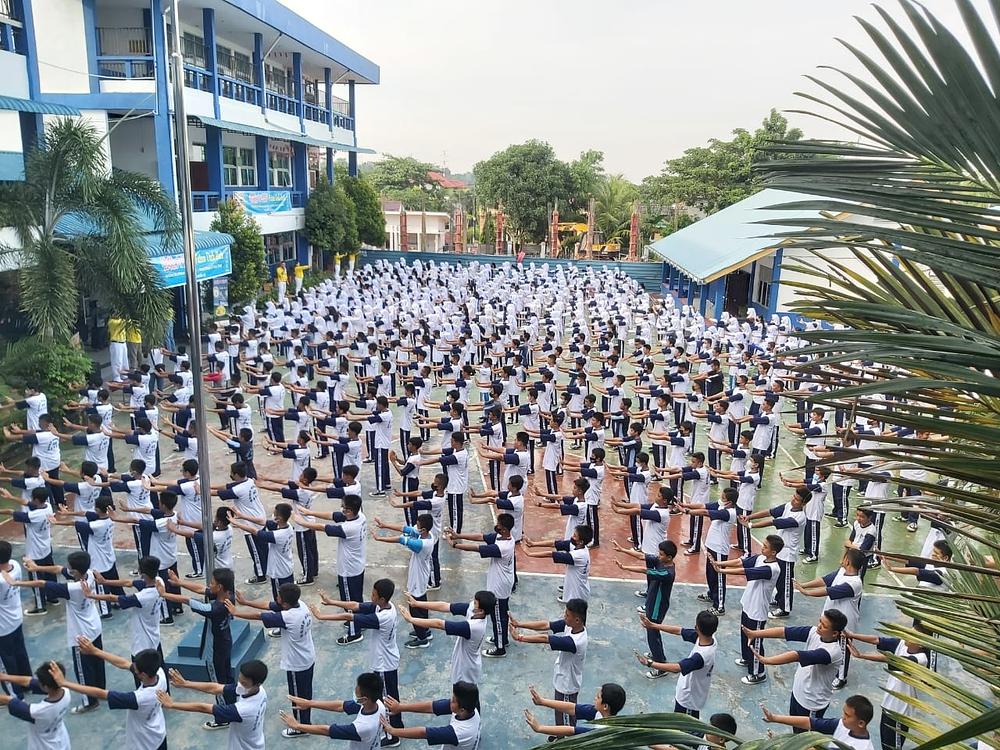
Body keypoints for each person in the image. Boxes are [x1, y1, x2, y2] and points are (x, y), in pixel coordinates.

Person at [8, 550, 105, 713]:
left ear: (76, 571)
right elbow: (59, 569)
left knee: (83, 669)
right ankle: (99, 690)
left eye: (71, 568)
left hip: (81, 634)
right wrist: (37, 568)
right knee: (97, 662)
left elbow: (42, 584)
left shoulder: (73, 589)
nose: (68, 569)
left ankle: (90, 701)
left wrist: (16, 583)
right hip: (94, 626)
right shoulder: (89, 574)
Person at [310, 579, 404, 737]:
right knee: (386, 697)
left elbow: (351, 616)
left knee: (387, 700)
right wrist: (331, 601)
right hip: (385, 660)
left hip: (384, 664)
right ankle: (393, 729)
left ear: (381, 598)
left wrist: (322, 617)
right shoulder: (384, 606)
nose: (371, 596)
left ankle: (392, 735)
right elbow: (356, 606)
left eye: (374, 594)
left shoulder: (382, 617)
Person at [224, 582, 314, 738]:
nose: (276, 597)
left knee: (298, 696)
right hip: (308, 656)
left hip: (297, 663)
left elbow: (259, 616)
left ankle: (301, 726)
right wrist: (246, 602)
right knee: (305, 692)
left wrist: (236, 612)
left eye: (278, 596)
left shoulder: (288, 617)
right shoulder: (300, 605)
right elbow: (269, 606)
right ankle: (305, 722)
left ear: (284, 602)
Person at [741, 609, 847, 728]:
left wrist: (766, 660)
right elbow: (785, 632)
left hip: (811, 703)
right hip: (798, 693)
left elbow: (797, 655)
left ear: (834, 633)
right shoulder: (814, 632)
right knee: (796, 731)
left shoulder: (832, 652)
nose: (819, 626)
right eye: (820, 622)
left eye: (824, 626)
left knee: (804, 741)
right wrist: (755, 634)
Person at [157, 567, 235, 727]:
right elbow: (202, 590)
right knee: (227, 678)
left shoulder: (215, 609)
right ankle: (233, 703)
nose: (209, 584)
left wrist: (164, 594)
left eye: (212, 582)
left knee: (217, 683)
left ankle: (223, 717)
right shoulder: (228, 596)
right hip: (226, 643)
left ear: (220, 587)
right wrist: (179, 582)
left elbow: (189, 601)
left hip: (215, 652)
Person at [59, 642, 168, 750]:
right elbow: (124, 663)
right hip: (159, 734)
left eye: (136, 670)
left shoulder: (139, 699)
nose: (133, 669)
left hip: (145, 744)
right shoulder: (159, 673)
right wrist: (95, 651)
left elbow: (101, 693)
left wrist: (64, 683)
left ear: (143, 674)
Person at [291, 495, 367, 644]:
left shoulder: (348, 528)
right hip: (357, 566)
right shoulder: (360, 517)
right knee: (357, 599)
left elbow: (322, 527)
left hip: (348, 570)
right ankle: (360, 621)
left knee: (348, 602)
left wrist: (300, 521)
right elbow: (333, 516)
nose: (341, 508)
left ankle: (354, 632)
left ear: (349, 511)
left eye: (343, 506)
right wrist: (309, 512)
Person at [708, 534, 783, 684]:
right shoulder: (760, 558)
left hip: (757, 610)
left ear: (773, 552)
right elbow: (741, 561)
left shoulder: (772, 569)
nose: (762, 547)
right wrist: (719, 563)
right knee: (744, 633)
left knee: (754, 640)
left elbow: (744, 571)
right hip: (748, 603)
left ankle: (758, 672)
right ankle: (747, 658)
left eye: (766, 546)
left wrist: (722, 571)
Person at [509, 599, 588, 727]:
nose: (564, 616)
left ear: (577, 620)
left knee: (566, 719)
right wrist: (519, 624)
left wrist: (520, 637)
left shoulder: (575, 642)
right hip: (562, 680)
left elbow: (545, 638)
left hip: (567, 686)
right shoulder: (571, 626)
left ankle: (566, 741)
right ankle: (560, 737)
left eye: (567, 615)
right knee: (560, 714)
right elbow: (546, 625)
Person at [446, 514, 516, 657]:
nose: (496, 526)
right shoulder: (501, 537)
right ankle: (502, 639)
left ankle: (500, 648)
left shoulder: (503, 547)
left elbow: (476, 548)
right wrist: (458, 535)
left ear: (503, 529)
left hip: (499, 586)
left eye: (499, 525)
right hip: (504, 582)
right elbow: (480, 537)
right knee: (502, 612)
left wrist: (455, 544)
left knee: (497, 616)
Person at [847, 628, 930, 750]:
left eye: (911, 634)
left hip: (900, 714)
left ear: (921, 643)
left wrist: (863, 655)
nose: (906, 634)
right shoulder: (901, 644)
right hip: (888, 706)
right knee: (885, 745)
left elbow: (897, 661)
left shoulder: (922, 658)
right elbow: (876, 640)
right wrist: (852, 635)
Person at [795, 548, 865, 690]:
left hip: (845, 622)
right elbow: (826, 580)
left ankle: (841, 677)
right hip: (832, 618)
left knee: (843, 649)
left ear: (848, 561)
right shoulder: (841, 572)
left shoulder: (855, 583)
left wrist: (807, 593)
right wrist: (804, 584)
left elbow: (830, 591)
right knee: (830, 645)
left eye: (844, 555)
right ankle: (832, 669)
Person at [399, 591, 494, 685]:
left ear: (481, 610)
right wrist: (417, 603)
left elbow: (439, 624)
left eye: (475, 603)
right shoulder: (474, 610)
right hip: (463, 663)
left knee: (460, 698)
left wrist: (411, 619)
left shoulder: (473, 627)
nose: (472, 603)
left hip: (465, 670)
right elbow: (446, 606)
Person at [158, 659, 268, 740]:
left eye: (244, 683)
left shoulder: (243, 710)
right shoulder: (258, 690)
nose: (239, 685)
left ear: (257, 684)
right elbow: (215, 688)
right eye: (239, 680)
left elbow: (203, 707)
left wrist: (172, 704)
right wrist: (186, 683)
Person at [635, 610, 719, 716]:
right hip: (689, 693)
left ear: (697, 627)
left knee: (686, 728)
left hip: (689, 699)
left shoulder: (701, 656)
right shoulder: (708, 638)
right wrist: (653, 625)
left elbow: (676, 668)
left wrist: (649, 663)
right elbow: (679, 631)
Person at [741, 486, 809, 618]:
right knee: (778, 580)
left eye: (797, 499)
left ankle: (785, 608)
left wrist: (751, 525)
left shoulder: (799, 518)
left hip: (788, 554)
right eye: (794, 496)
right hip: (778, 552)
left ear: (804, 503)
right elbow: (770, 512)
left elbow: (773, 522)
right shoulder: (788, 506)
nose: (793, 500)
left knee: (785, 582)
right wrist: (749, 517)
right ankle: (778, 599)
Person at [371, 515, 435, 649]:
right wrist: (385, 524)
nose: (415, 527)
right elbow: (404, 529)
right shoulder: (427, 535)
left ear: (423, 529)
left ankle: (422, 637)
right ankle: (426, 629)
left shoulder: (421, 544)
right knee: (422, 602)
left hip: (417, 578)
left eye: (417, 525)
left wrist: (379, 538)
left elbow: (401, 539)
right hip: (422, 576)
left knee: (414, 606)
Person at [277, 671, 387, 746]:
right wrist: (310, 703)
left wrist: (297, 725)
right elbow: (341, 706)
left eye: (356, 691)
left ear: (364, 699)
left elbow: (327, 730)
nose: (354, 691)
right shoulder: (377, 704)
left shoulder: (363, 728)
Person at [681, 486, 738, 616]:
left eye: (723, 498)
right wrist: (685, 505)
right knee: (710, 574)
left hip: (719, 548)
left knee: (718, 576)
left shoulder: (728, 513)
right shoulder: (722, 506)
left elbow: (706, 512)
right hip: (712, 545)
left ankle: (719, 606)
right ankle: (712, 595)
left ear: (729, 502)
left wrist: (687, 511)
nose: (720, 499)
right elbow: (704, 505)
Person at [382, 681, 482, 748]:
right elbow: (432, 706)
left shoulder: (458, 732)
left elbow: (423, 733)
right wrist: (400, 707)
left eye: (454, 700)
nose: (450, 700)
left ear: (462, 710)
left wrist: (392, 730)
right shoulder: (471, 707)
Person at [0, 660, 72, 749]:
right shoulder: (65, 690)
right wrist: (4, 677)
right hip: (62, 742)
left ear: (45, 687)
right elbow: (29, 682)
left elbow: (9, 700)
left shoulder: (38, 712)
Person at [762, 694, 875, 750]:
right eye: (843, 712)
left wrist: (784, 745)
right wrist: (774, 718)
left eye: (847, 715)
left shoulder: (862, 747)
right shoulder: (843, 724)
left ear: (861, 723)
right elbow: (811, 722)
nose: (843, 717)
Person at [524, 682, 626, 739]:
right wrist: (542, 701)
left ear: (605, 706)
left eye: (598, 697)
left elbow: (571, 731)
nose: (595, 698)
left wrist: (540, 728)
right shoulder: (601, 713)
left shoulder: (603, 730)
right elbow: (572, 708)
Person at [521, 525, 592, 603]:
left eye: (575, 536)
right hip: (576, 589)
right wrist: (533, 544)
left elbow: (550, 554)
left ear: (581, 542)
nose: (572, 536)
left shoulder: (578, 556)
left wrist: (529, 553)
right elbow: (555, 544)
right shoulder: (579, 546)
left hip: (577, 595)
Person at [0, 540, 31, 697]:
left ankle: (15, 695)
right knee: (20, 653)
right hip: (16, 619)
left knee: (7, 661)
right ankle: (27, 684)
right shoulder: (15, 565)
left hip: (3, 627)